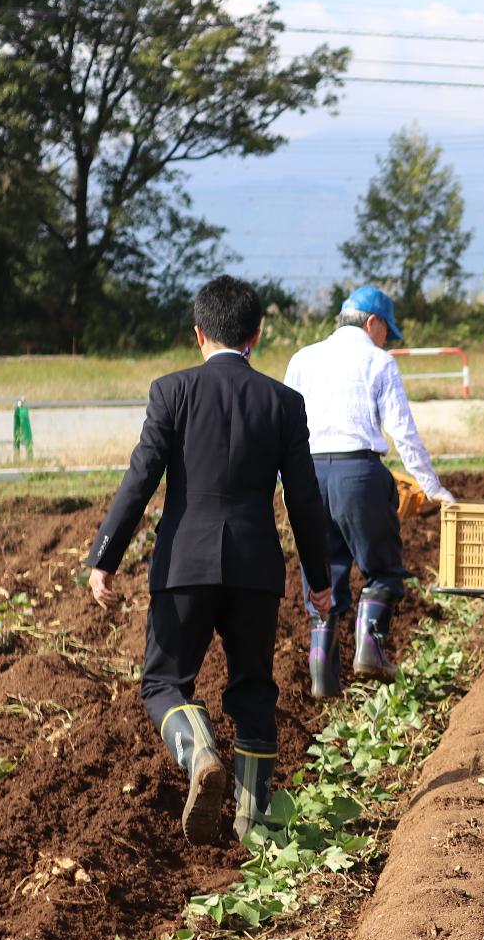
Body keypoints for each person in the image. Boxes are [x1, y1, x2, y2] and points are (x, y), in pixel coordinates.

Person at [86, 276, 332, 844]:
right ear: (257, 335)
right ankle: (256, 822)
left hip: (184, 566)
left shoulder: (170, 391)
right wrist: (317, 579)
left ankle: (198, 748)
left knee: (163, 683)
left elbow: (140, 479)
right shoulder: (283, 403)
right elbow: (303, 498)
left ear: (199, 333)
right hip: (255, 569)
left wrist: (106, 557)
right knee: (253, 691)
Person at [284, 285, 456, 697]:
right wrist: (432, 487)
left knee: (324, 575)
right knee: (383, 570)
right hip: (357, 472)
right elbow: (403, 433)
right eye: (386, 332)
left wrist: (284, 482)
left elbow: (284, 423)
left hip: (306, 476)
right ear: (372, 323)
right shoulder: (378, 361)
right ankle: (370, 652)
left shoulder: (302, 359)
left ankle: (322, 675)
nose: (387, 341)